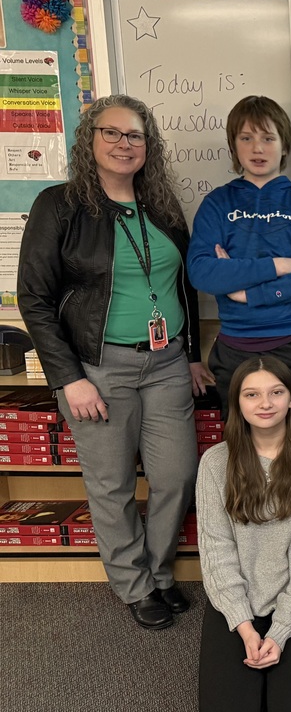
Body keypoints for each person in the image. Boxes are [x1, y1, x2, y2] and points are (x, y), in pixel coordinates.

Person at [17, 94, 211, 629]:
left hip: (167, 364)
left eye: (136, 136)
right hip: (96, 367)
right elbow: (32, 298)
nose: (125, 145)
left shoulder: (162, 205)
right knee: (112, 483)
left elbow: (184, 286)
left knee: (176, 475)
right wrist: (69, 379)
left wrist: (192, 354)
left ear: (149, 147)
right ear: (90, 139)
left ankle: (160, 572)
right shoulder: (59, 205)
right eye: (113, 133)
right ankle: (135, 584)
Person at [187, 95, 291, 441]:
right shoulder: (217, 204)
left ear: (284, 145)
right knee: (245, 459)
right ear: (233, 145)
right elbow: (203, 272)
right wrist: (280, 265)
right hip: (239, 345)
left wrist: (247, 292)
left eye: (268, 138)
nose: (258, 148)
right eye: (246, 138)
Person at [196, 356, 291, 712]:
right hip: (237, 599)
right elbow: (217, 550)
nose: (265, 403)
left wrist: (280, 631)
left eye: (276, 392)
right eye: (252, 394)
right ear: (237, 403)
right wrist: (245, 627)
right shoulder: (215, 462)